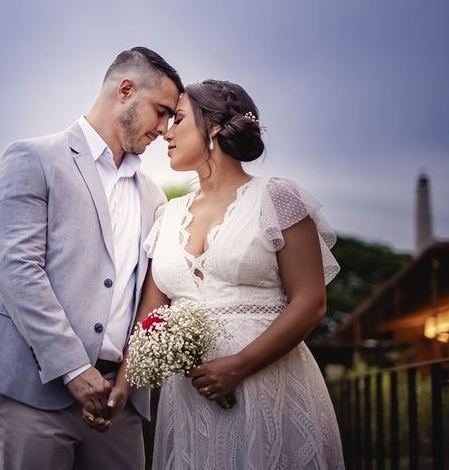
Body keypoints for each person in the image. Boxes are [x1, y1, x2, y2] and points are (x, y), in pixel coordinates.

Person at [0, 47, 183, 469]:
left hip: (117, 403)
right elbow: (17, 272)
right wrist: (72, 369)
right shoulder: (34, 158)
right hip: (32, 389)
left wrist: (125, 383)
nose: (164, 127)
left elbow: (147, 301)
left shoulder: (154, 195)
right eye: (160, 111)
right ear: (125, 90)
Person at [135, 79, 344, 469]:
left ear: (213, 125)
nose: (166, 131)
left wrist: (241, 364)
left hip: (268, 385)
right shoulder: (167, 216)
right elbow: (150, 318)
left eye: (178, 119)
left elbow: (311, 302)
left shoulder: (277, 197)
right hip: (190, 398)